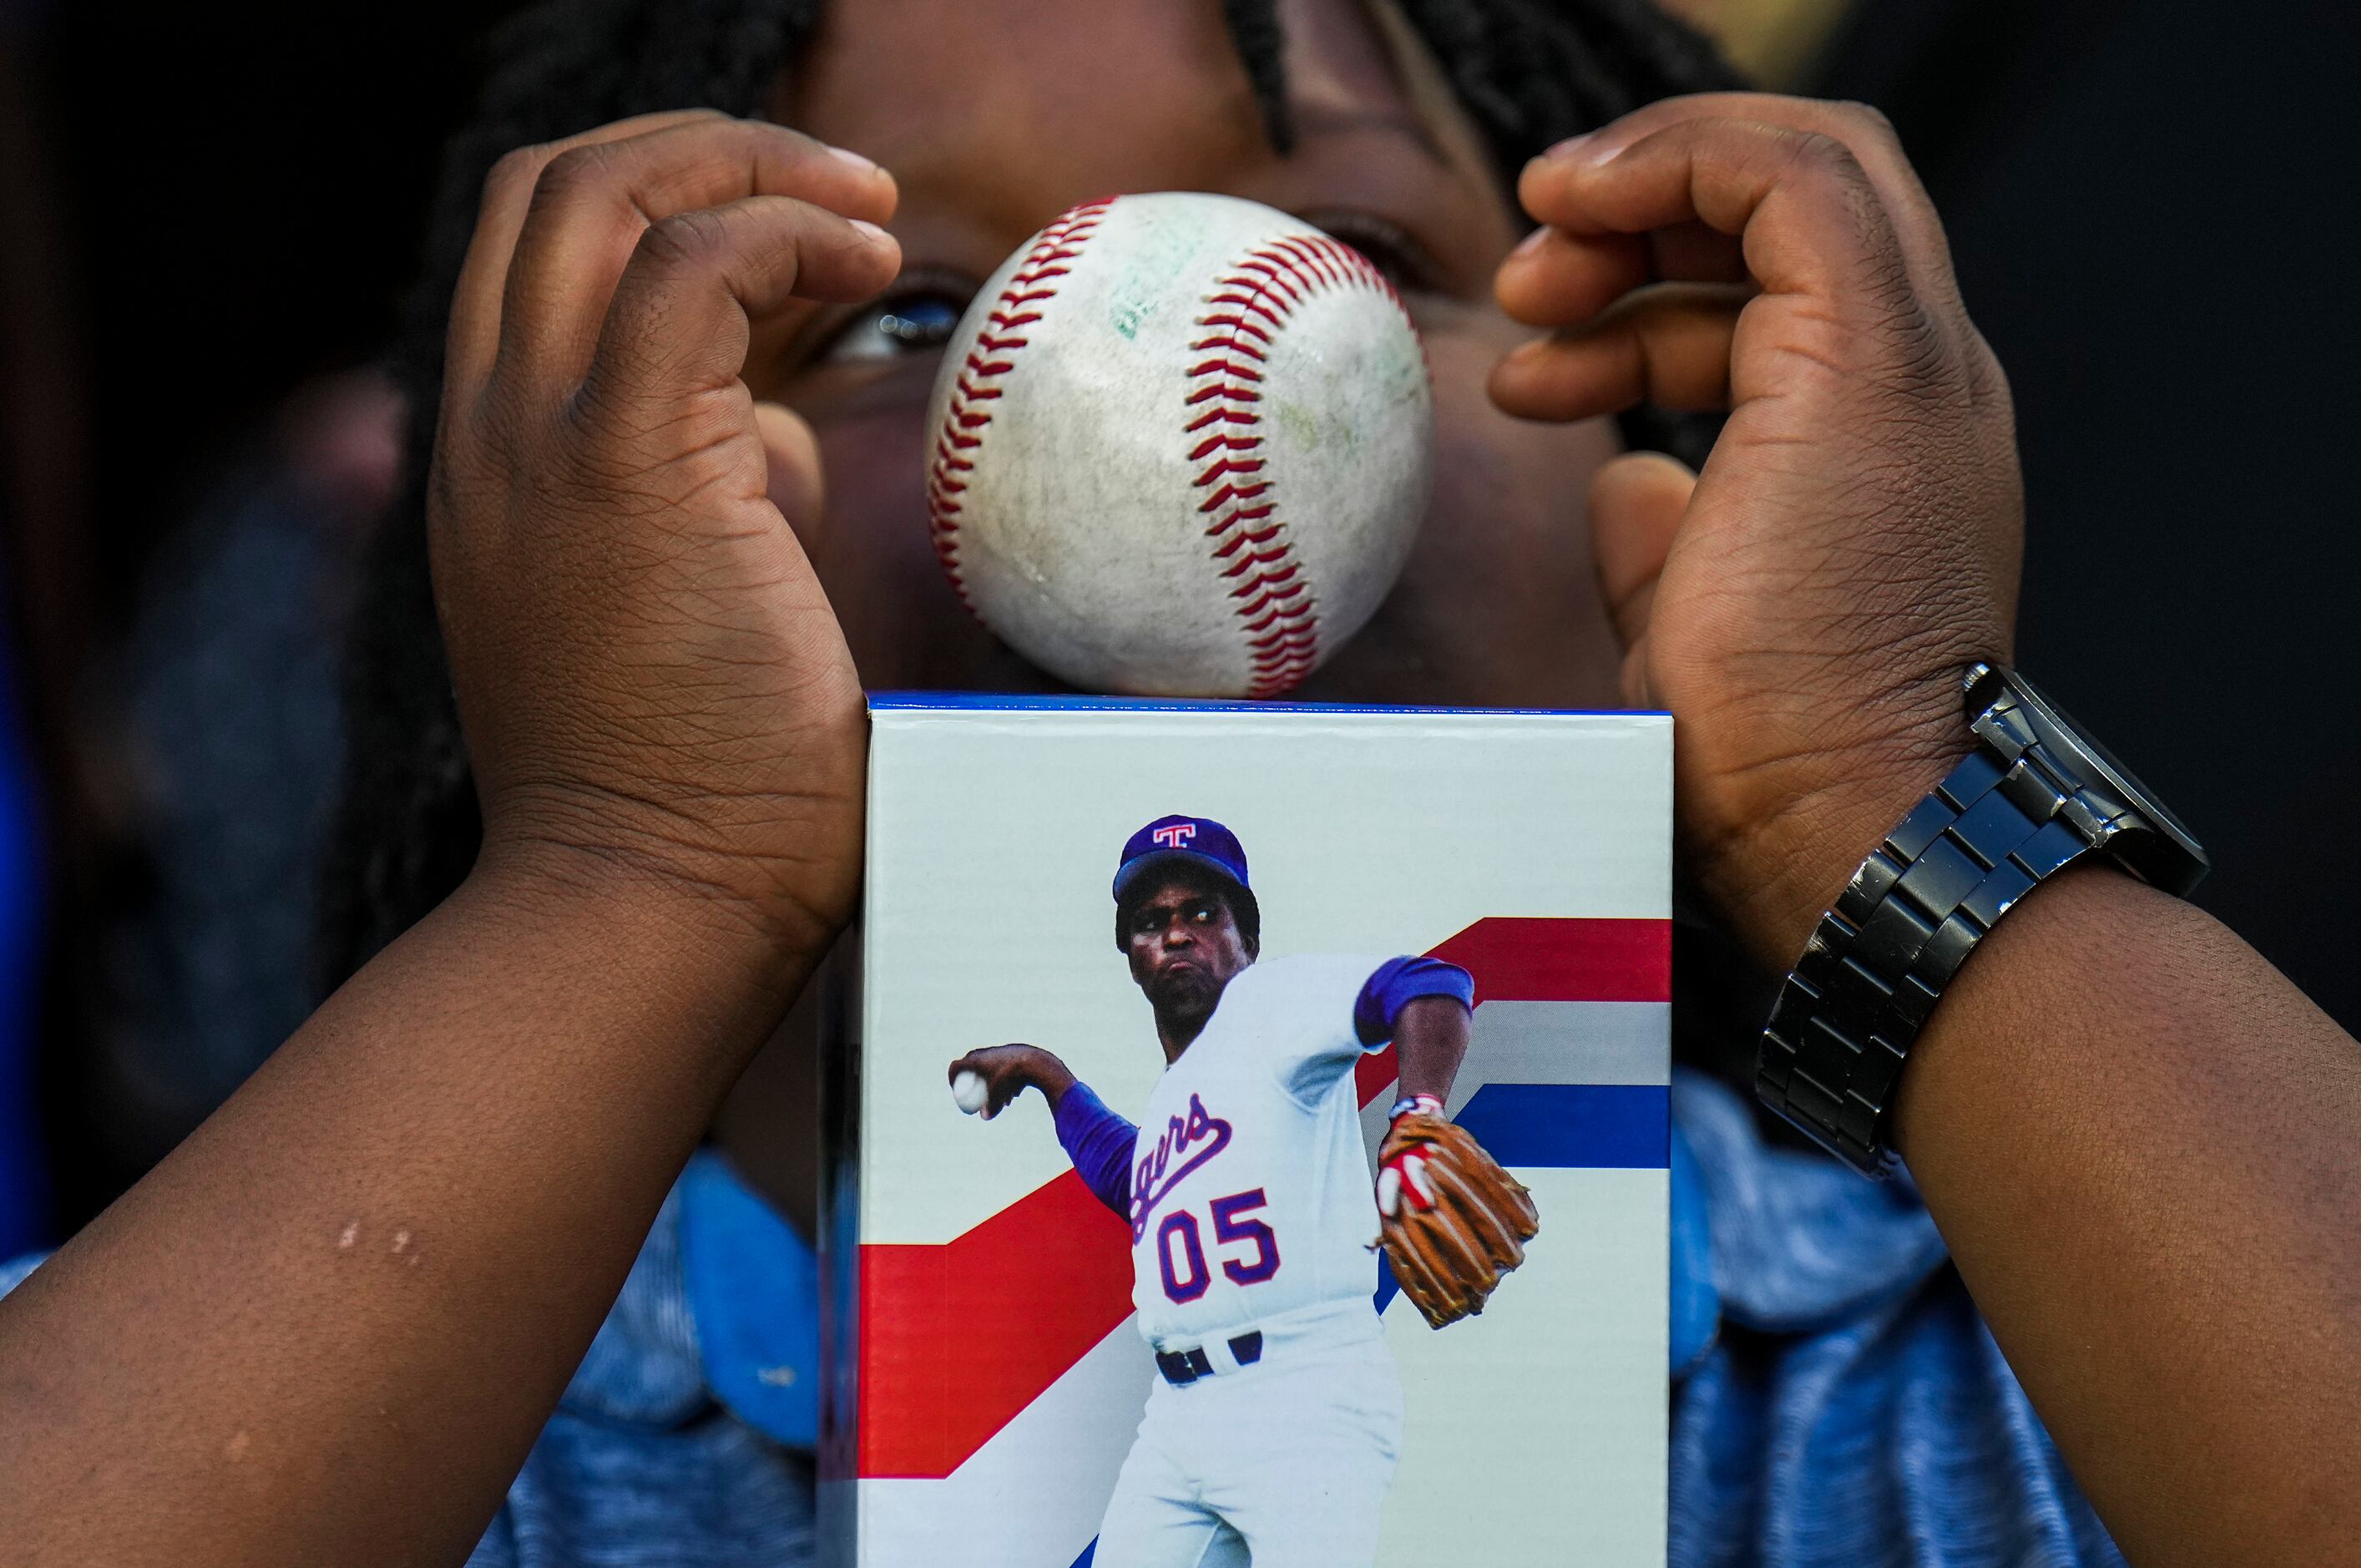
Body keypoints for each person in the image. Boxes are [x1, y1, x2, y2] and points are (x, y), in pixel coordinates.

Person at [0, 1, 2354, 1565]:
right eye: (908, 314)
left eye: (1337, 251)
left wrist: (1877, 783)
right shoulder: (371, 1413)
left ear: (1661, 488)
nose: (1107, 386)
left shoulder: (2059, 1351)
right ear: (533, 556)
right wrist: (629, 865)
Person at [948, 813, 1495, 1567]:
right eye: (1152, 920)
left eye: (1202, 912)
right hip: (1178, 1419)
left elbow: (1429, 987)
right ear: (1132, 957)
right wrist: (1051, 1077)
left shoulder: (1273, 1006)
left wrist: (1418, 1110)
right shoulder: (1182, 1095)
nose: (1176, 933)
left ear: (1247, 937)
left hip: (1304, 1394)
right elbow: (1136, 1179)